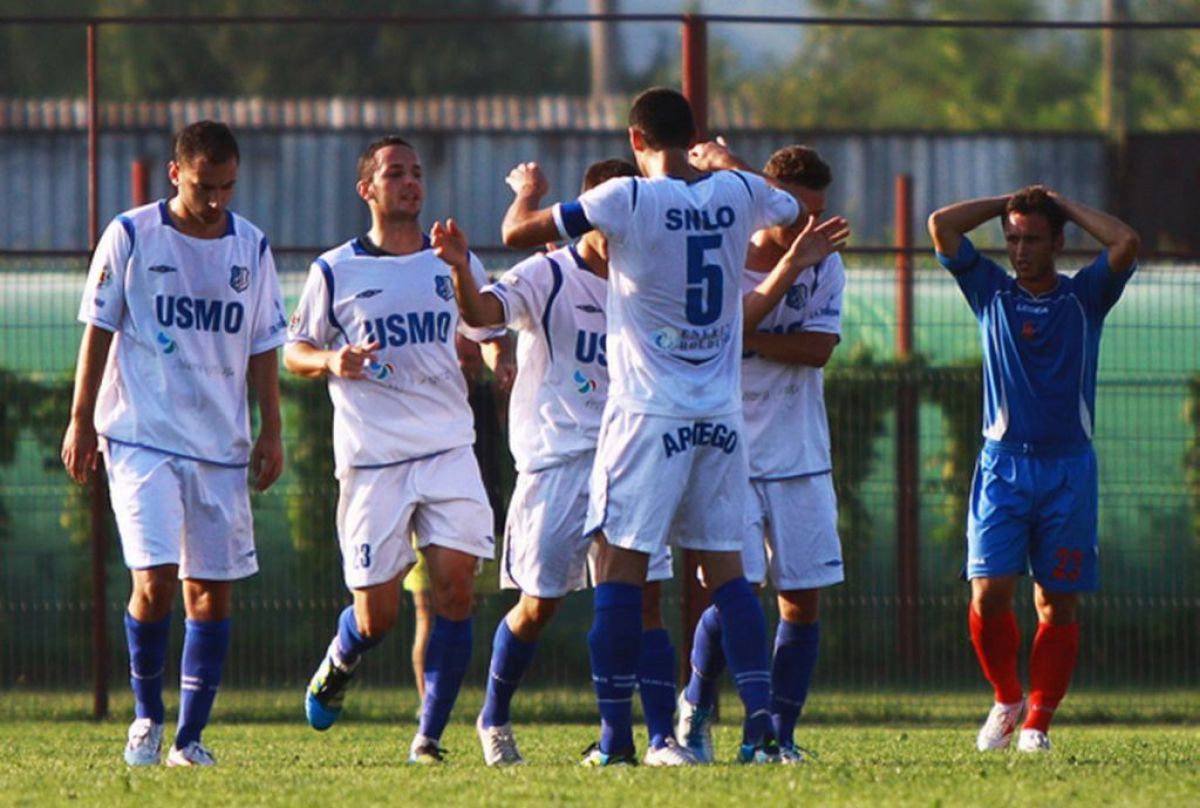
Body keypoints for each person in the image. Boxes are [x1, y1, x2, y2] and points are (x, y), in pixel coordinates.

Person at [500, 87, 845, 765]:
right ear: (694, 136)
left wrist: (526, 195)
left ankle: (616, 742)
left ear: (635, 140)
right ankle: (762, 734)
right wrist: (725, 163)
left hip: (646, 414)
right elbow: (784, 205)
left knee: (620, 572)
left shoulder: (624, 198)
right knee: (728, 575)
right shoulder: (737, 191)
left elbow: (518, 234)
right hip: (719, 416)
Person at [439, 158, 686, 767]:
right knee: (538, 605)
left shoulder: (651, 277)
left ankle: (655, 739)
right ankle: (494, 715)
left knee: (645, 601)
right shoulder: (549, 273)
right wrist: (460, 272)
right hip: (557, 462)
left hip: (631, 457)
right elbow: (482, 316)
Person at [61, 120, 286, 767]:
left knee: (209, 594)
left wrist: (271, 429)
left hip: (220, 444)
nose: (215, 200)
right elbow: (98, 329)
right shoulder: (131, 235)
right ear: (175, 174)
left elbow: (263, 344)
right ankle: (146, 718)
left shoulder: (251, 246)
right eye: (203, 186)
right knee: (155, 580)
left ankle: (190, 740)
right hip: (141, 436)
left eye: (226, 187)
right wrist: (80, 419)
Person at [285, 135, 499, 764]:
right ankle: (343, 655)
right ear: (367, 190)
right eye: (395, 173)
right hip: (373, 460)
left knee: (455, 590)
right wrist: (332, 359)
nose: (410, 183)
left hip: (447, 448)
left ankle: (429, 737)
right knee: (376, 618)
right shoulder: (335, 270)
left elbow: (486, 321)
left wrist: (464, 283)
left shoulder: (450, 257)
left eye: (416, 173)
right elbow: (294, 350)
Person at [927, 186, 1139, 753]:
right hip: (1002, 467)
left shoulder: (1085, 296)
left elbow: (1125, 241)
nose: (1020, 250)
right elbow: (942, 224)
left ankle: (1037, 725)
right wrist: (1008, 201)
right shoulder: (990, 291)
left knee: (1056, 602)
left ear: (1058, 242)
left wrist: (1060, 202)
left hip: (1068, 469)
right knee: (988, 593)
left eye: (1032, 239)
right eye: (1012, 238)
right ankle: (1006, 699)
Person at [677, 143, 846, 765]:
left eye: (817, 212)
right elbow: (723, 328)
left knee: (802, 601)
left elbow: (819, 349)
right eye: (796, 211)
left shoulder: (824, 261)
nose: (808, 225)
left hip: (801, 453)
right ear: (769, 202)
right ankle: (695, 706)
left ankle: (778, 736)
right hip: (729, 453)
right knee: (737, 594)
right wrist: (748, 326)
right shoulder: (720, 250)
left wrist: (747, 335)